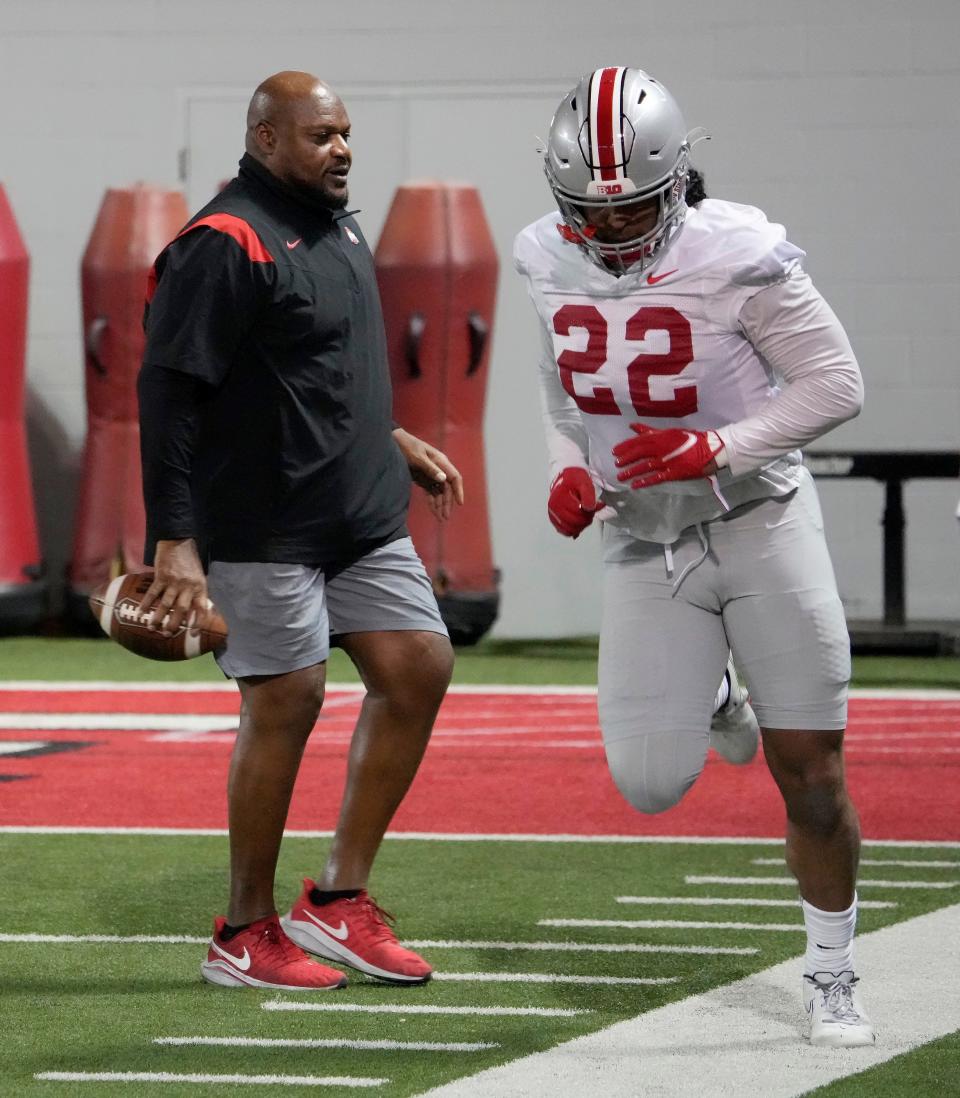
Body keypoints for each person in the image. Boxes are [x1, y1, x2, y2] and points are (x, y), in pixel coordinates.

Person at [514, 67, 873, 1047]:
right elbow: (562, 393)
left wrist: (714, 446)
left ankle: (833, 975)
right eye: (591, 210)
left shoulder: (739, 252)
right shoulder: (544, 253)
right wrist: (564, 470)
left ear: (679, 180)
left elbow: (837, 383)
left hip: (759, 519)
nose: (612, 230)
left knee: (810, 770)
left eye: (631, 210)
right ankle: (716, 697)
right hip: (641, 535)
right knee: (648, 783)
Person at [137, 71, 462, 992]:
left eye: (347, 132)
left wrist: (385, 436)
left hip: (357, 514)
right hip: (263, 521)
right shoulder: (223, 242)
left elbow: (312, 356)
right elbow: (169, 396)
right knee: (287, 699)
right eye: (322, 135)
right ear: (268, 138)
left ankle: (338, 903)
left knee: (418, 666)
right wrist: (174, 540)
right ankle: (243, 929)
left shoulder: (342, 226)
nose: (343, 149)